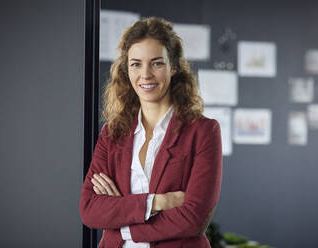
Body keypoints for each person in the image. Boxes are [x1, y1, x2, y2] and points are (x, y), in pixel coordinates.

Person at [79, 17, 222, 248]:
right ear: (127, 69)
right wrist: (157, 202)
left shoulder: (204, 131)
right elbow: (89, 210)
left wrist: (122, 221)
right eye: (136, 64)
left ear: (173, 66)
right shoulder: (111, 134)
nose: (145, 74)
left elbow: (194, 219)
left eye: (156, 63)